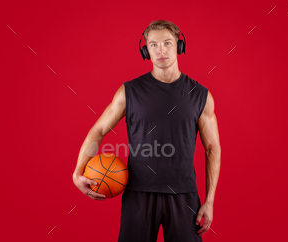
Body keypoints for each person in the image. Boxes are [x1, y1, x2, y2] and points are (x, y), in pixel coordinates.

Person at [72, 20, 221, 242]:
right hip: (138, 194)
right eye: (153, 45)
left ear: (179, 46)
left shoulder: (200, 95)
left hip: (184, 194)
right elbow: (100, 129)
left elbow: (212, 148)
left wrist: (209, 201)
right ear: (145, 50)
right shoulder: (128, 91)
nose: (161, 50)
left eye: (167, 43)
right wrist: (78, 172)